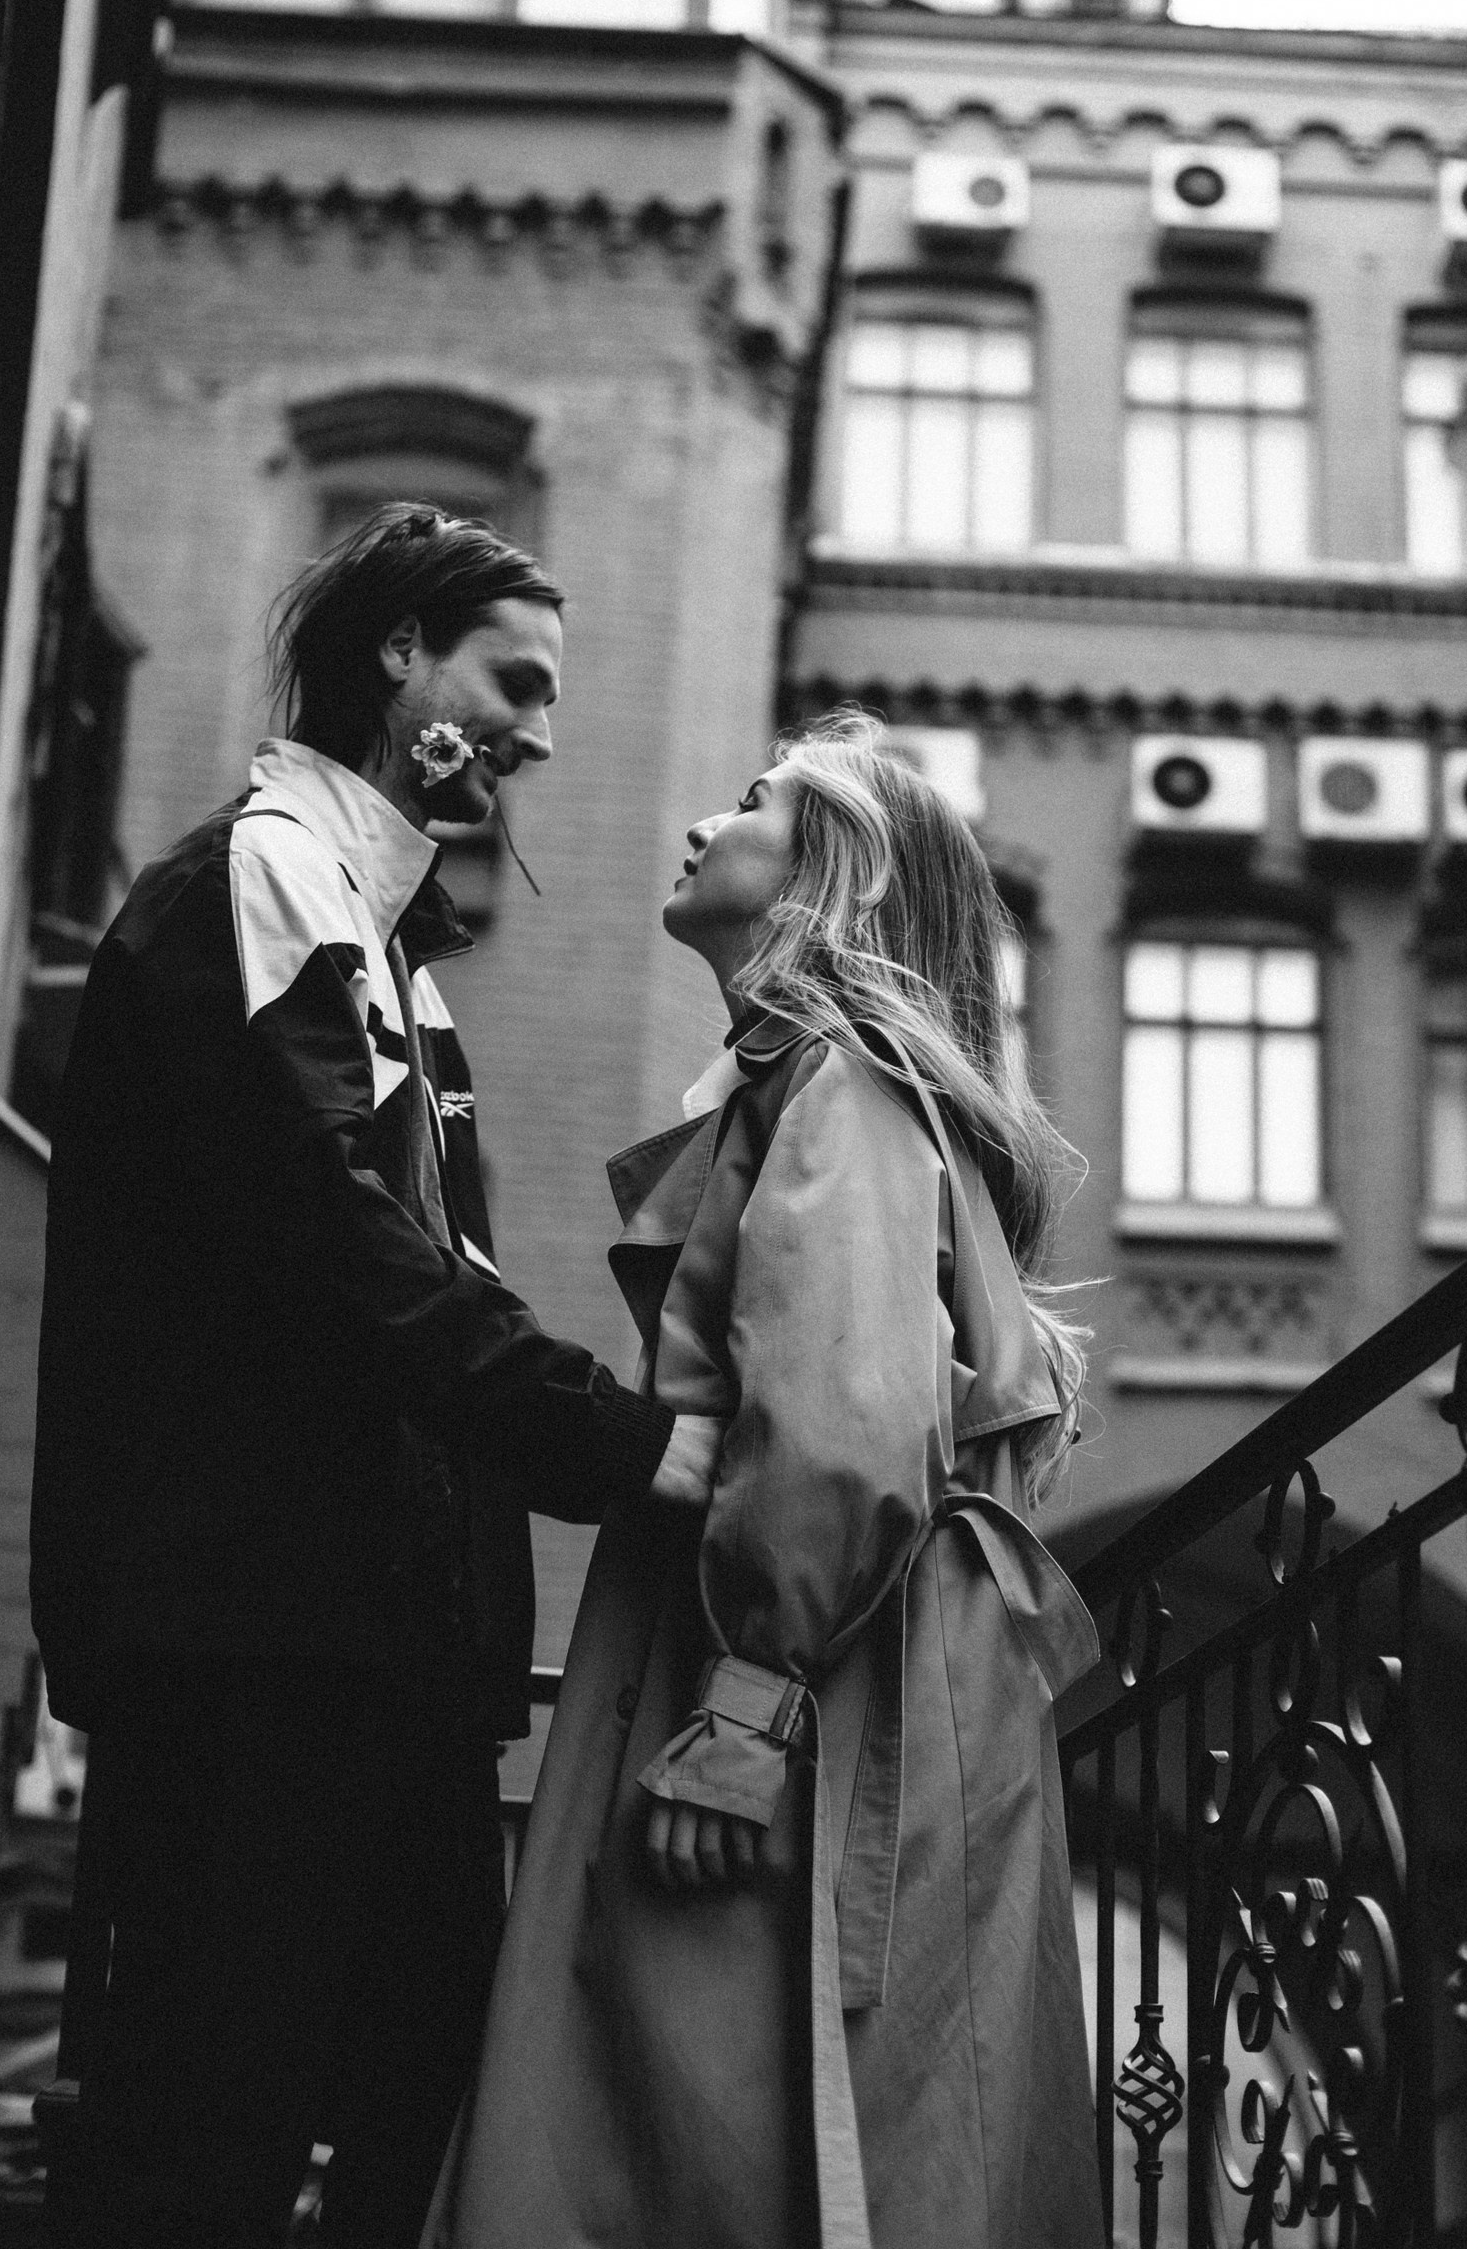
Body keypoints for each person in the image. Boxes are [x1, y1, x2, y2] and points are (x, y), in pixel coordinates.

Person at [29, 505, 720, 2249]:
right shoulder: (261, 883)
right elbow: (330, 1241)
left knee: (415, 2121)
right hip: (260, 1651)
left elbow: (422, 1271)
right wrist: (617, 1443)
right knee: (206, 2143)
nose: (540, 736)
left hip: (379, 1659)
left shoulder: (385, 941)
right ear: (398, 650)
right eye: (516, 681)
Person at [430, 710, 1106, 2249]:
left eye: (752, 803)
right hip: (836, 1676)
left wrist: (745, 1703)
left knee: (717, 2139)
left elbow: (846, 1418)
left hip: (805, 1695)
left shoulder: (840, 1087)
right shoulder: (831, 1087)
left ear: (834, 881)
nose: (698, 825)